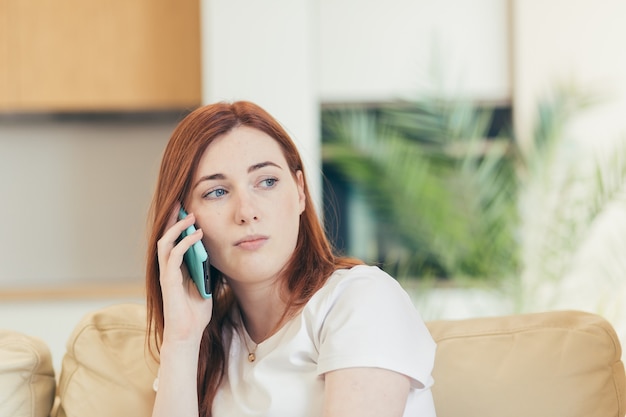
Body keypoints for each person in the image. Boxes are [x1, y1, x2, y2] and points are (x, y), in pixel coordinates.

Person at [145, 101, 437, 417]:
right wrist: (182, 341)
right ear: (182, 221)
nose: (246, 212)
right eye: (216, 192)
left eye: (267, 181)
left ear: (299, 191)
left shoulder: (362, 298)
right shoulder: (209, 340)